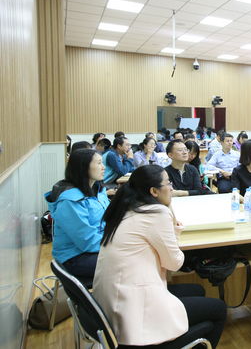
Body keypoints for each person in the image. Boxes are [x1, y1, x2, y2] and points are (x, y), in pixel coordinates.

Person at [94, 165, 226, 347]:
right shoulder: (155, 212)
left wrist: (168, 210)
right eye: (168, 184)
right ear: (154, 191)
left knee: (197, 290)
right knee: (219, 309)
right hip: (132, 311)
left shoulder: (127, 207)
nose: (171, 188)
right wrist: (174, 228)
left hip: (111, 305)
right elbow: (175, 263)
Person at [45, 149, 108, 280]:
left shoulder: (98, 190)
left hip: (98, 246)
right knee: (130, 262)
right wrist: (117, 244)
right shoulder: (70, 200)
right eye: (99, 163)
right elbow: (87, 240)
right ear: (83, 167)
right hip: (75, 257)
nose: (103, 167)